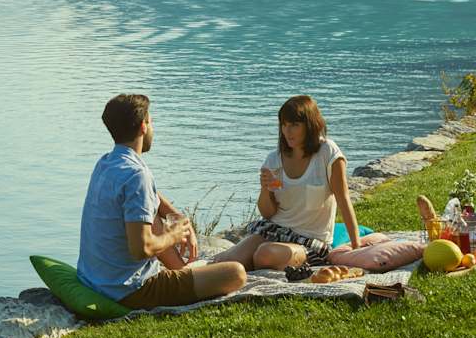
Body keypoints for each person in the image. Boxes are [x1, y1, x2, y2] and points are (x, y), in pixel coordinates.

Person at [78, 93, 249, 309]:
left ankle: (182, 272)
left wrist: (179, 218)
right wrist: (173, 235)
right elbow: (141, 249)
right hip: (131, 290)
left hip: (94, 279)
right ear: (143, 126)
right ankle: (184, 275)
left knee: (152, 217)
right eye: (151, 122)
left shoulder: (106, 163)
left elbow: (150, 197)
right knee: (235, 273)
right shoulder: (137, 175)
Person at [206, 94, 379, 271]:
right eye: (284, 125)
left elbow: (343, 199)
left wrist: (357, 246)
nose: (287, 131)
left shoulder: (327, 153)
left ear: (310, 125)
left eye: (294, 125)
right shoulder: (274, 159)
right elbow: (268, 212)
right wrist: (265, 189)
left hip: (310, 239)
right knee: (225, 262)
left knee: (264, 255)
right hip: (273, 230)